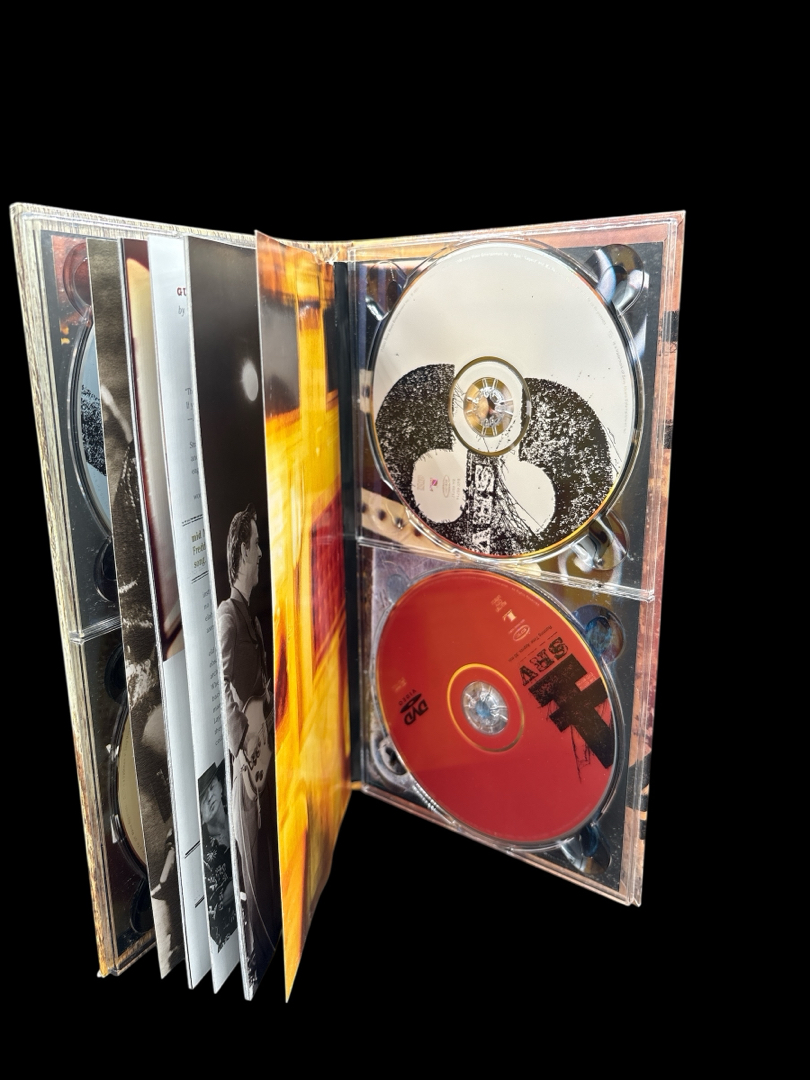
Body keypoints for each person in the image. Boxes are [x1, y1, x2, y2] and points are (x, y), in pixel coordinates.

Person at [217, 504, 280, 990]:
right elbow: (219, 687)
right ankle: (256, 962)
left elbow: (253, 686)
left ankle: (269, 949)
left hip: (263, 759)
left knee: (266, 864)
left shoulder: (252, 621)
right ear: (241, 550)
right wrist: (241, 741)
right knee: (252, 871)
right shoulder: (226, 616)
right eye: (256, 544)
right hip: (245, 767)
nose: (261, 553)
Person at [198, 762, 236, 951]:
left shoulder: (239, 810)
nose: (210, 797)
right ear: (199, 814)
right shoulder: (204, 856)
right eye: (203, 798)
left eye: (212, 787)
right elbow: (223, 898)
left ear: (221, 786)